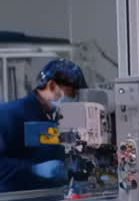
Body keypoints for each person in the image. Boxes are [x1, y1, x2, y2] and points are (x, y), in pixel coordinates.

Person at [0, 58, 85, 192]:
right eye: (72, 91)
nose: (75, 96)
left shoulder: (51, 118)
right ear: (51, 86)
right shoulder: (9, 114)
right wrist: (33, 169)